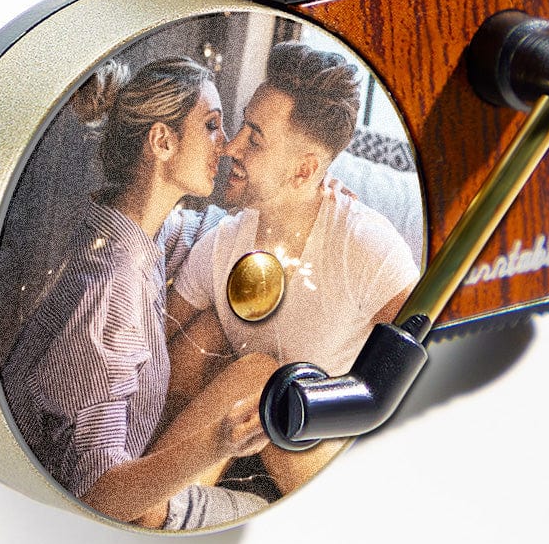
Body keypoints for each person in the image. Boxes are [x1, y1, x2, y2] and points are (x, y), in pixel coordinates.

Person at [0, 56, 276, 529]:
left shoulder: (135, 231)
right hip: (82, 517)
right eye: (211, 126)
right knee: (270, 514)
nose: (227, 145)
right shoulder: (111, 289)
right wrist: (220, 441)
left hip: (114, 480)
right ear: (162, 141)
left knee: (227, 337)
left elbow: (211, 234)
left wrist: (303, 197)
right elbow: (97, 496)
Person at [165, 41, 420, 495]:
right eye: (243, 126)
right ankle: (160, 503)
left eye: (254, 138)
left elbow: (420, 381)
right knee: (209, 337)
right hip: (237, 461)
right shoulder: (221, 245)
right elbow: (155, 353)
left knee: (265, 379)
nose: (231, 147)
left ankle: (159, 506)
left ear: (304, 171)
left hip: (331, 475)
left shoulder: (367, 249)